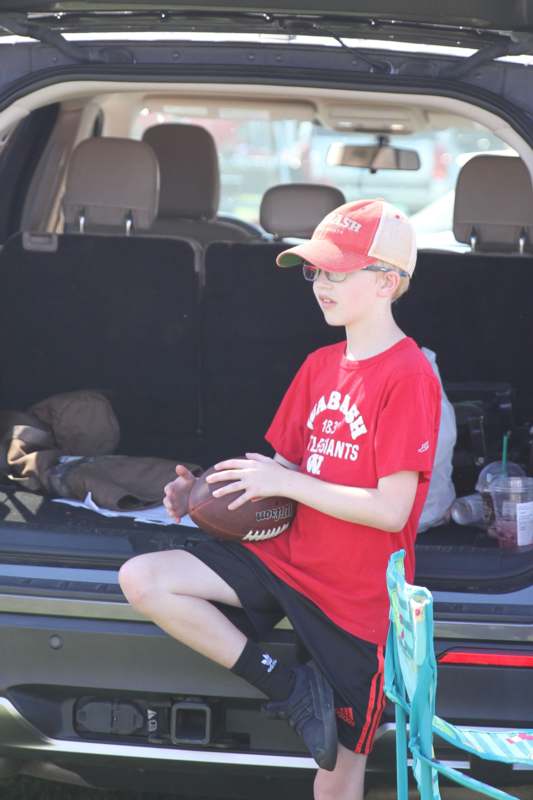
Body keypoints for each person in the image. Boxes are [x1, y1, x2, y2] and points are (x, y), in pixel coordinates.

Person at [118, 198, 442, 800]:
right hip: (283, 561)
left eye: (338, 271)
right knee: (145, 578)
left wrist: (288, 483)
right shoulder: (320, 365)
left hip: (355, 599)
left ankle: (312, 701)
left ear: (388, 282)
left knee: (336, 779)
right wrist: (201, 494)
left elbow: (392, 510)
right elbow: (280, 475)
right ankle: (292, 690)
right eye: (316, 271)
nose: (321, 284)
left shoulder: (409, 376)